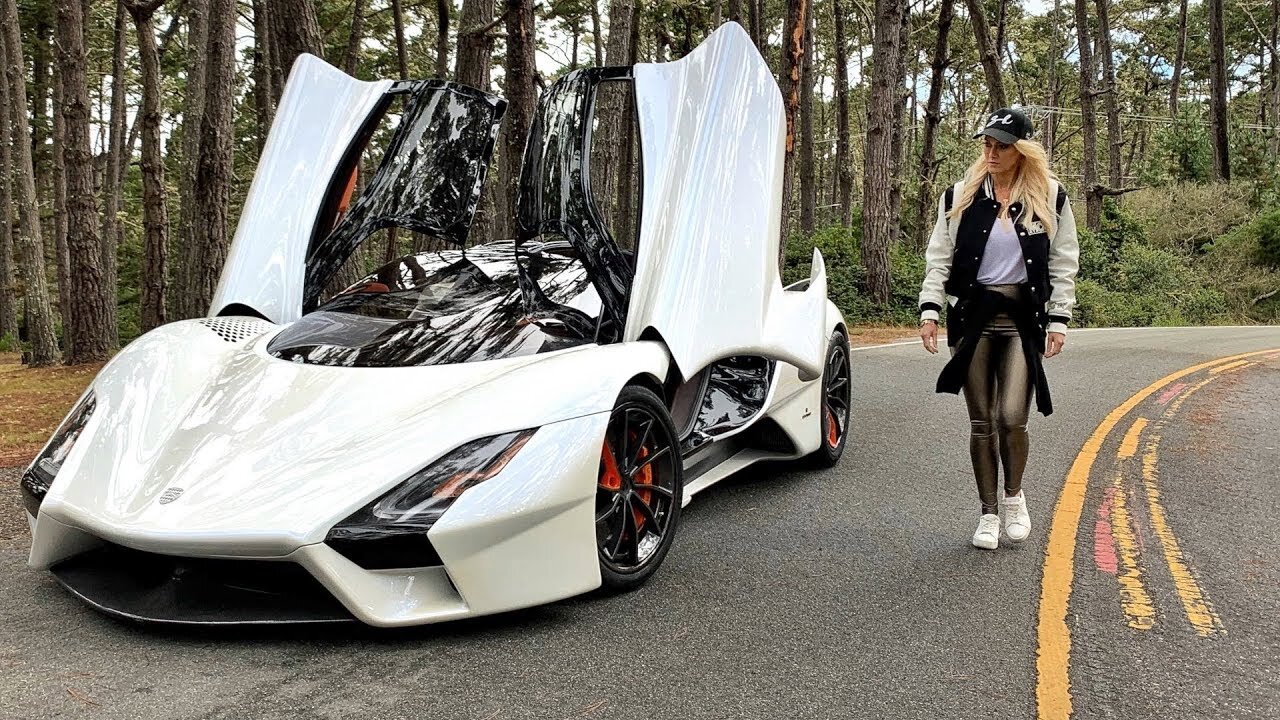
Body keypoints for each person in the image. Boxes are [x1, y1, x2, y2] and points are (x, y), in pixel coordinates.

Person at [917, 107, 1080, 550]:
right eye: (986, 143)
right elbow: (940, 257)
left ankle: (1014, 497)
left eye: (1000, 144)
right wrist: (931, 309)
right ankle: (988, 512)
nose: (990, 151)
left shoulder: (1050, 196)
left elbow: (1064, 262)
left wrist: (1059, 317)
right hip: (972, 320)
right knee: (982, 420)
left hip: (1022, 321)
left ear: (1021, 150)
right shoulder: (960, 197)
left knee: (1012, 417)